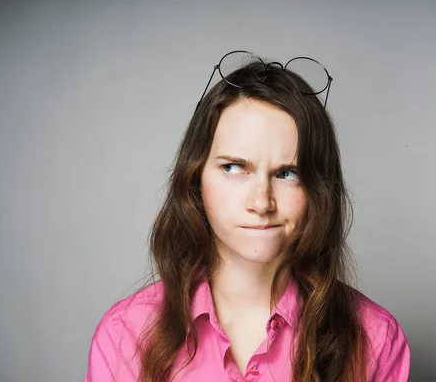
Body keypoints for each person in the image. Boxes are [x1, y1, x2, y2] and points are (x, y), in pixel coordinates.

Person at [84, 51, 410, 381]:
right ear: (196, 177)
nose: (261, 202)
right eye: (234, 167)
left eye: (288, 173)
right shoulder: (125, 334)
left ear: (318, 190)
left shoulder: (374, 339)